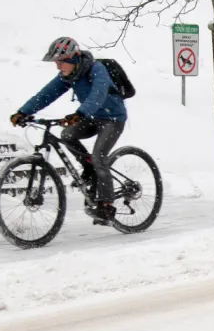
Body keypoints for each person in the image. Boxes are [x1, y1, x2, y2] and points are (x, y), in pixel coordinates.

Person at [10, 37, 127, 224]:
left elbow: (98, 95)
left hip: (112, 118)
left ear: (72, 59)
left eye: (60, 62)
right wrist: (23, 112)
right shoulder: (68, 76)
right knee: (67, 134)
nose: (58, 67)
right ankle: (89, 168)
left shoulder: (97, 69)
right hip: (91, 117)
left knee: (99, 156)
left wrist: (80, 113)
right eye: (56, 63)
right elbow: (45, 95)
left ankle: (106, 205)